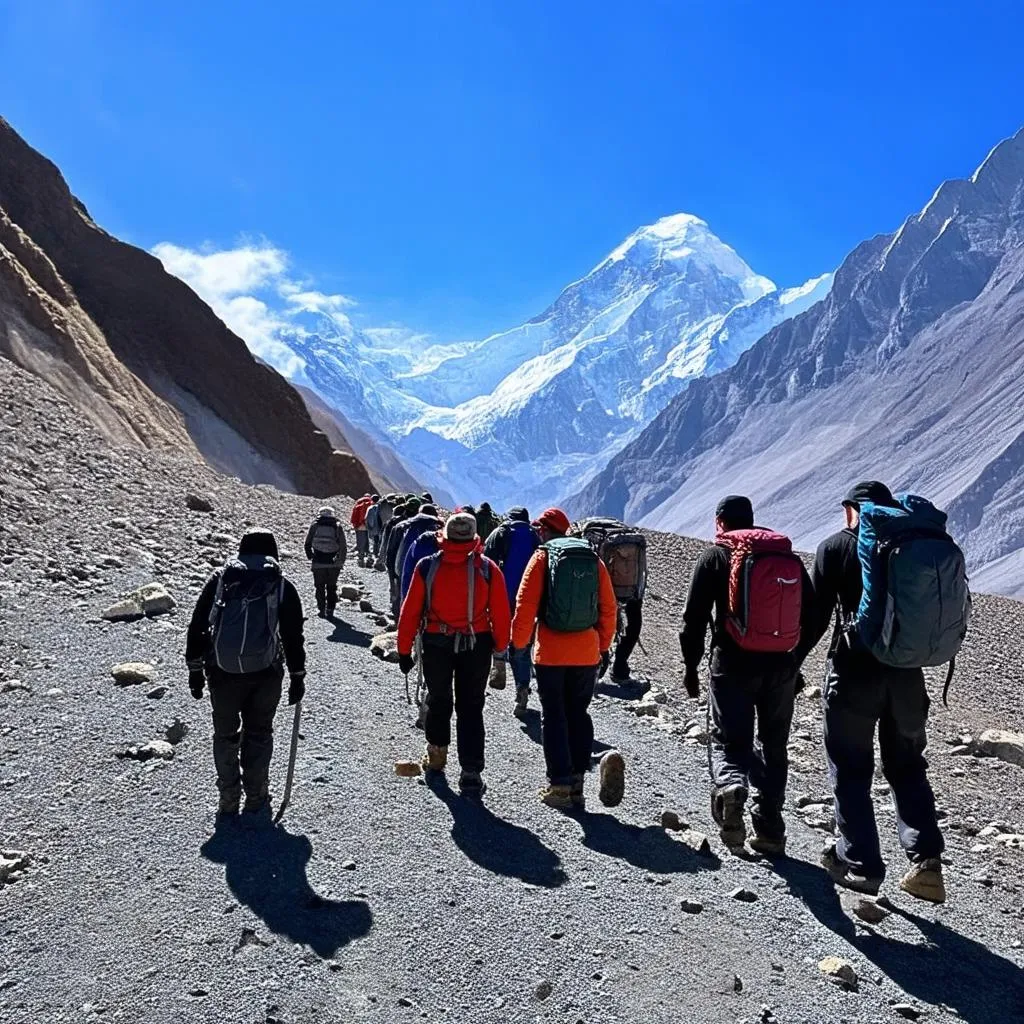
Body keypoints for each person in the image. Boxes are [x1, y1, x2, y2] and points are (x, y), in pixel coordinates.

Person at [806, 481, 948, 903]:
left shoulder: (834, 548)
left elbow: (813, 619)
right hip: (907, 677)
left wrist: (789, 669)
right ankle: (927, 864)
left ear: (853, 511)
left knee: (850, 769)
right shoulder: (911, 547)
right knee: (907, 766)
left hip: (854, 676)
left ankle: (862, 865)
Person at [679, 495, 814, 854]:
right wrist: (795, 658)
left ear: (719, 522)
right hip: (782, 667)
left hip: (734, 663)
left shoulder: (715, 556)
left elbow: (693, 619)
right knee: (774, 745)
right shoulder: (786, 558)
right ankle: (770, 827)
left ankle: (731, 790)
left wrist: (691, 668)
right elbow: (812, 612)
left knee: (730, 740)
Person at [186, 529, 306, 816]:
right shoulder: (280, 585)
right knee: (259, 732)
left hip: (223, 673)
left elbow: (198, 625)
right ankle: (257, 795)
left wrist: (195, 670)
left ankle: (228, 797)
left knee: (225, 735)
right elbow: (293, 635)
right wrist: (297, 676)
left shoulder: (220, 580)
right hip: (266, 673)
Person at [511, 507, 620, 810]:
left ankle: (559, 786)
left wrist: (518, 645)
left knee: (554, 716)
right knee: (579, 713)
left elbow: (525, 605)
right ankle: (577, 784)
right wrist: (602, 646)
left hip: (551, 654)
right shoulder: (592, 559)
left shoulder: (542, 558)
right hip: (586, 653)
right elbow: (609, 608)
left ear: (544, 531)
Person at [397, 512, 511, 798]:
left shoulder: (427, 567)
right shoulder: (487, 569)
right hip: (477, 643)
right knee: (471, 707)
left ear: (444, 536)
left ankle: (436, 757)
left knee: (439, 699)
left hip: (436, 642)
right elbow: (501, 612)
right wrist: (500, 648)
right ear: (475, 538)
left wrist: (403, 649)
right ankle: (470, 773)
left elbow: (410, 611)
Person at [570, 517, 648, 684]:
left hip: (601, 589)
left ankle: (595, 666)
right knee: (632, 624)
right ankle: (620, 668)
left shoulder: (591, 542)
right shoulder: (634, 549)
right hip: (632, 590)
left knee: (600, 623)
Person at [484, 506, 539, 714]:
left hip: (501, 596)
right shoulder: (535, 536)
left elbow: (485, 562)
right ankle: (522, 688)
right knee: (521, 644)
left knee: (498, 634)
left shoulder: (501, 532)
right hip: (527, 600)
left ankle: (497, 665)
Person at [303, 505, 347, 617]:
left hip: (318, 561)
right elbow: (343, 545)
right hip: (333, 562)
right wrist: (340, 560)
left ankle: (321, 609)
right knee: (332, 587)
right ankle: (330, 609)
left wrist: (311, 556)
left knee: (319, 587)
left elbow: (307, 543)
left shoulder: (315, 525)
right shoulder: (337, 526)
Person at [396, 503, 444, 601]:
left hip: (405, 569)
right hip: (433, 580)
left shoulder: (404, 526)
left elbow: (393, 551)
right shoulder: (441, 532)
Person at [350, 494, 373, 567]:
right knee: (370, 543)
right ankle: (370, 558)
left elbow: (354, 515)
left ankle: (361, 559)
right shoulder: (371, 503)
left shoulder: (358, 503)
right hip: (370, 526)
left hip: (360, 527)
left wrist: (355, 525)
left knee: (361, 542)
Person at [365, 494, 383, 561]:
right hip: (381, 527)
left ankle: (375, 554)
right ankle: (379, 553)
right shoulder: (381, 507)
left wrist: (369, 527)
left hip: (373, 527)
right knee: (379, 541)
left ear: (372, 500)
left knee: (375, 541)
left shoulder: (370, 508)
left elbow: (367, 519)